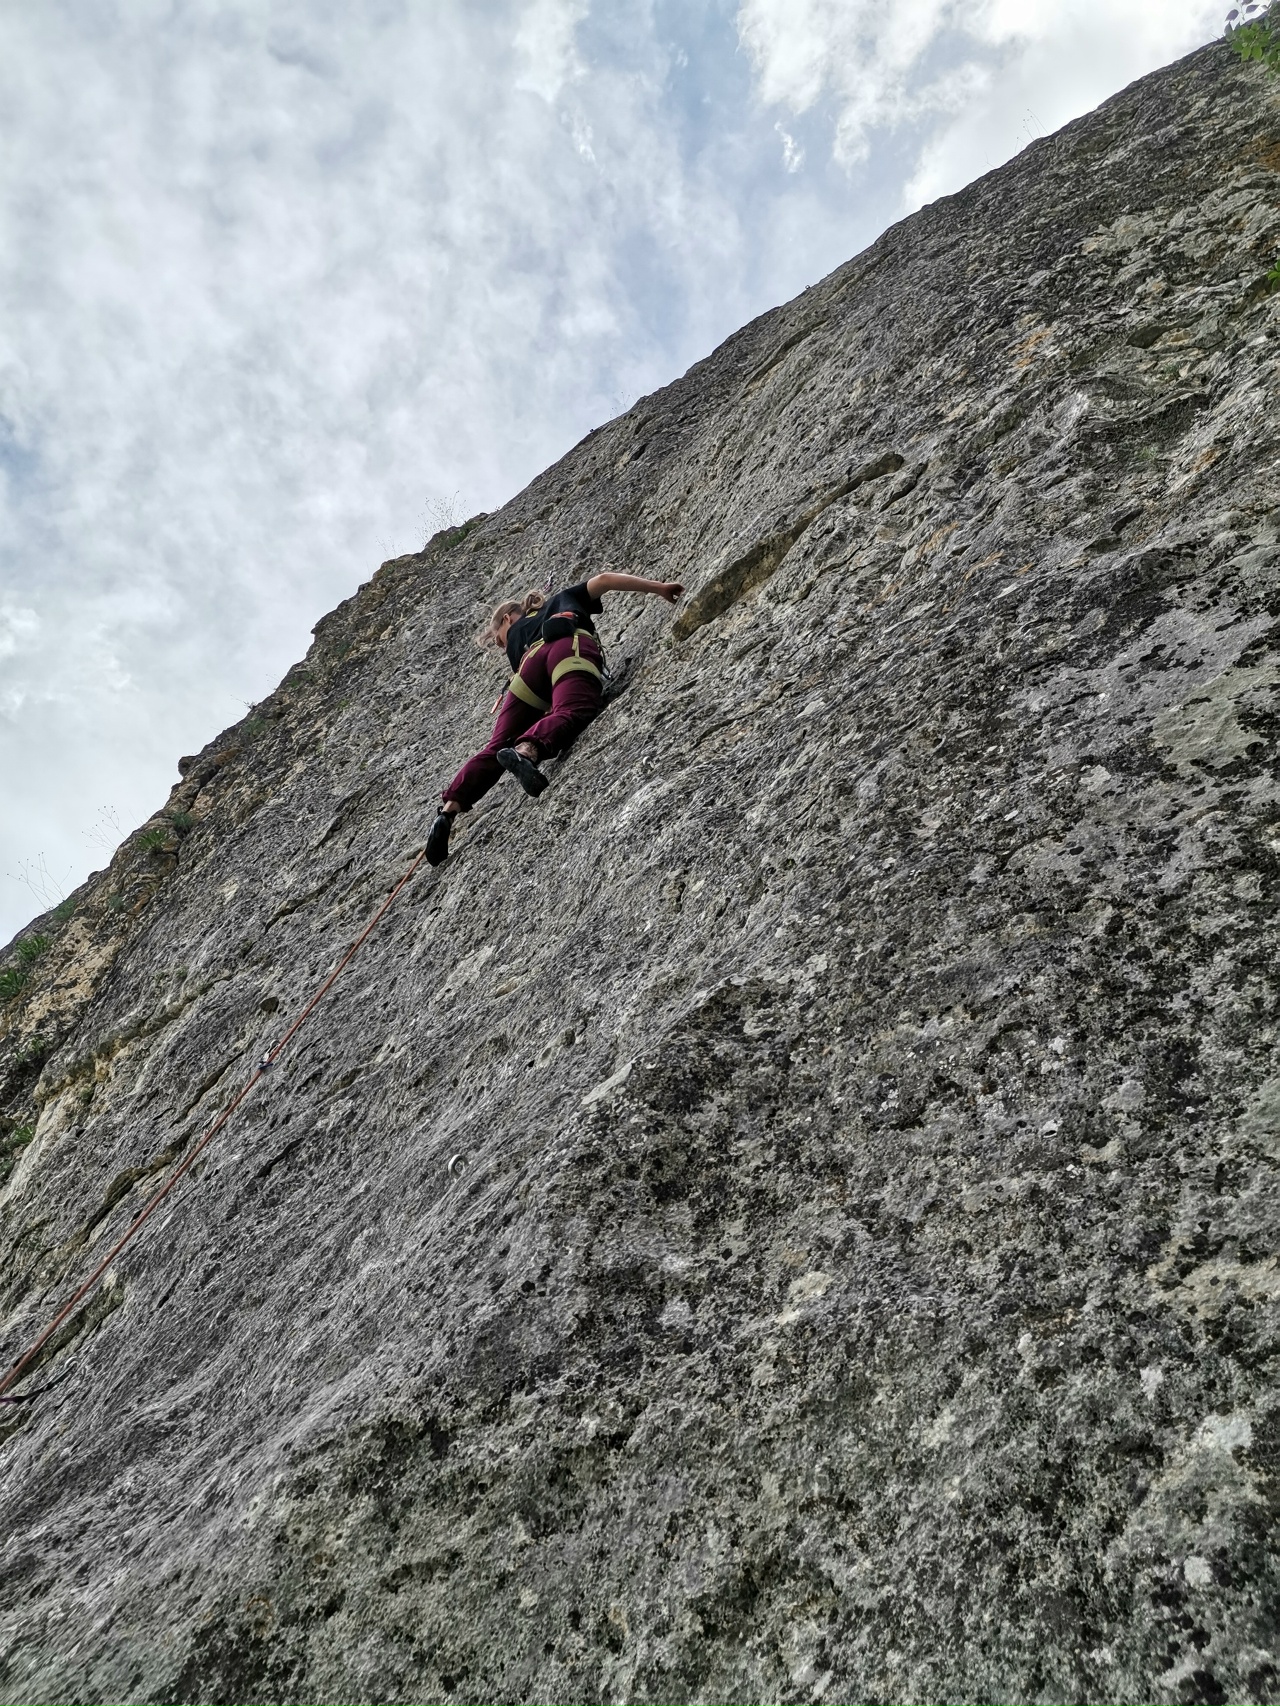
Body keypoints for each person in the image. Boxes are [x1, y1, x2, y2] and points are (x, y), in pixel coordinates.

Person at [425, 572, 684, 864]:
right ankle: (527, 750)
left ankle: (448, 811)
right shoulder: (563, 599)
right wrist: (659, 588)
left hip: (525, 677)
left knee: (495, 746)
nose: (502, 645)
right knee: (573, 709)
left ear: (509, 618)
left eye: (498, 639)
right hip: (565, 646)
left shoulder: (516, 644)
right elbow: (605, 579)